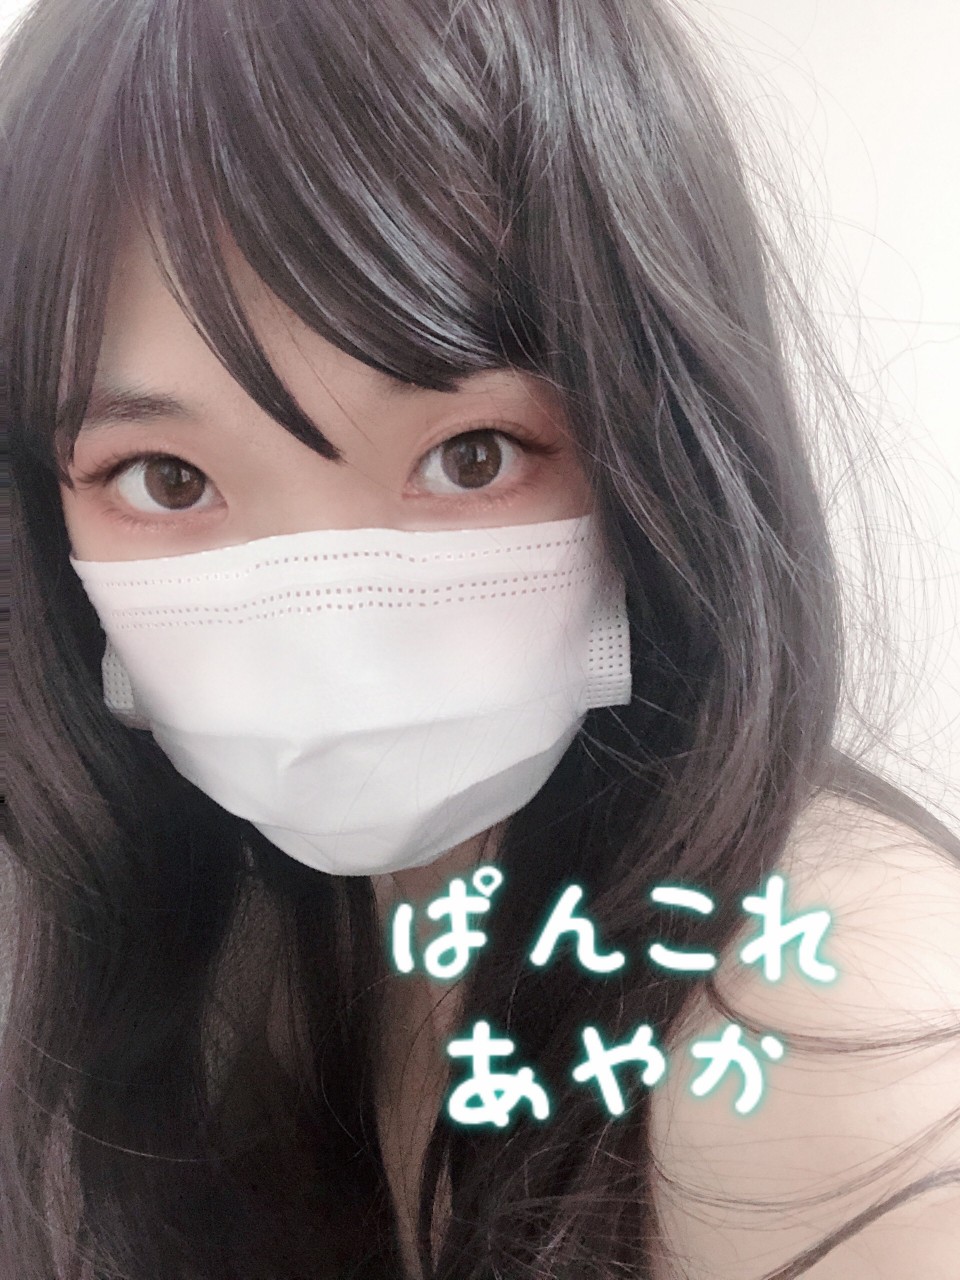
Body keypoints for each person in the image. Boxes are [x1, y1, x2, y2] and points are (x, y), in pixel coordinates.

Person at [2, 0, 959, 1277]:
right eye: (166, 478)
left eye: (473, 454)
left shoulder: (838, 1033)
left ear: (661, 449)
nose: (335, 653)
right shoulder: (229, 925)